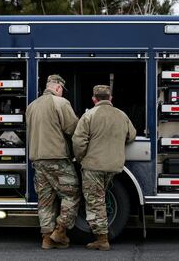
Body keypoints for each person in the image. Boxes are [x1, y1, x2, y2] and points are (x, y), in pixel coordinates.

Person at [72, 85, 136, 251]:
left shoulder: (89, 115)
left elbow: (78, 142)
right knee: (101, 197)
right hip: (113, 166)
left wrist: (81, 159)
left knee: (95, 202)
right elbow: (132, 135)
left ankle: (102, 239)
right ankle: (102, 235)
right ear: (110, 98)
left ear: (94, 99)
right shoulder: (121, 115)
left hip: (93, 166)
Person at [26, 74, 80, 249]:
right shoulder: (61, 103)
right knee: (71, 194)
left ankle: (47, 238)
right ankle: (60, 231)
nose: (62, 93)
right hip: (57, 159)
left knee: (45, 200)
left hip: (38, 159)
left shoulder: (32, 106)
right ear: (58, 87)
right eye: (62, 90)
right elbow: (73, 129)